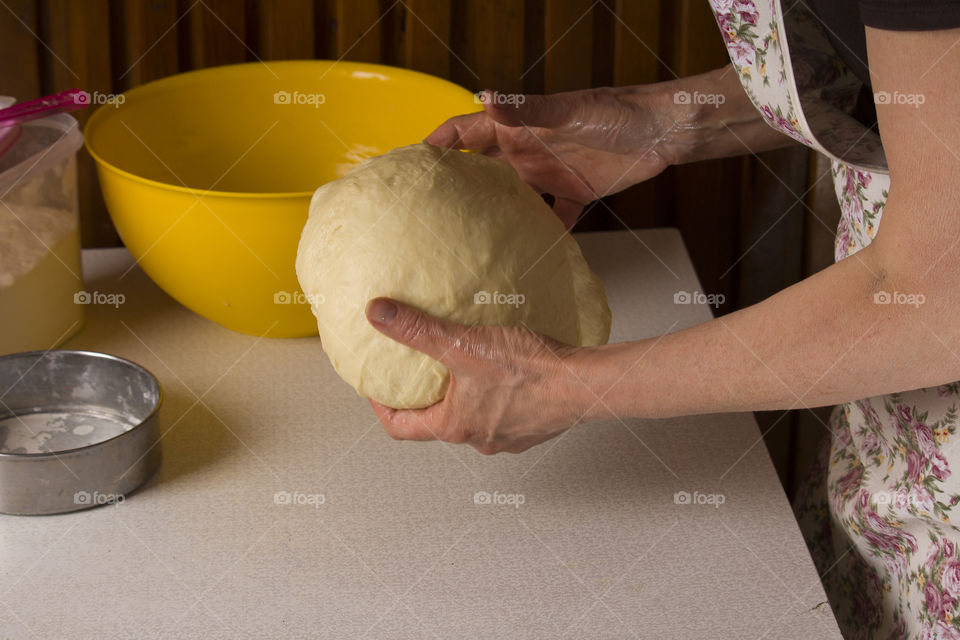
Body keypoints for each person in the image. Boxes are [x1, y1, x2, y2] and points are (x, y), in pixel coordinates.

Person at [365, 1, 960, 637]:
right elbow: (889, 73)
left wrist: (565, 387)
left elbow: (937, 292)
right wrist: (667, 122)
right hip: (889, 422)